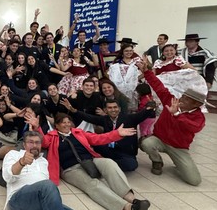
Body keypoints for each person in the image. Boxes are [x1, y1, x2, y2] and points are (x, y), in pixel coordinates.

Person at [137, 57, 206, 186]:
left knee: (194, 181)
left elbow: (194, 127)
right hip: (160, 139)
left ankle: (178, 164)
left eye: (187, 99)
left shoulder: (198, 117)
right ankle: (157, 161)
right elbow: (159, 87)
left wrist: (177, 115)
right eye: (183, 96)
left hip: (178, 147)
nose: (182, 99)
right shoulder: (171, 100)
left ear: (196, 104)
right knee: (146, 143)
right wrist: (146, 72)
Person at [68, 99, 155, 172]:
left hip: (125, 153)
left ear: (119, 108)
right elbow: (89, 117)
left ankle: (105, 165)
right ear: (105, 110)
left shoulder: (129, 118)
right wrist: (74, 111)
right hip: (108, 149)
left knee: (131, 165)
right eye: (110, 108)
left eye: (115, 107)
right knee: (91, 141)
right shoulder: (104, 119)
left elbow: (142, 114)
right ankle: (103, 163)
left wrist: (150, 108)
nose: (113, 110)